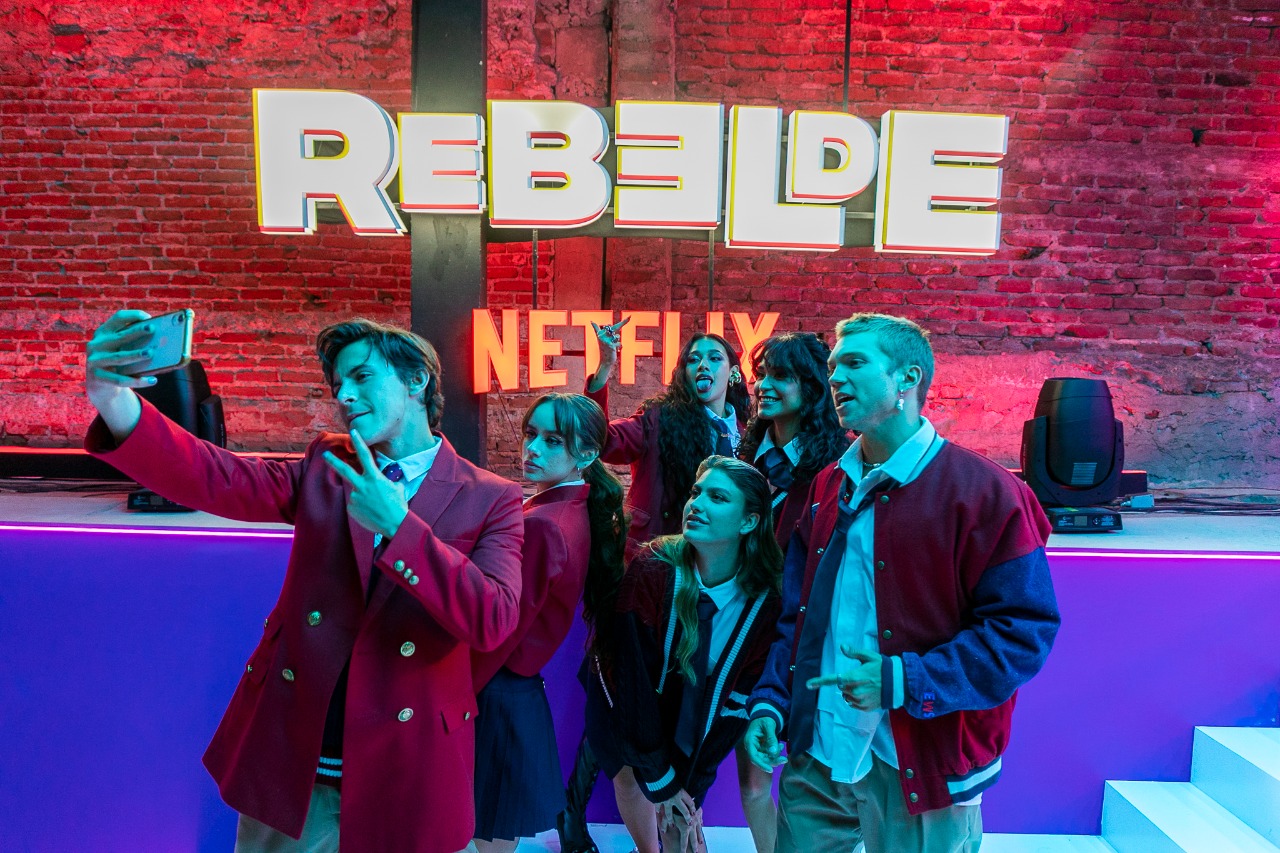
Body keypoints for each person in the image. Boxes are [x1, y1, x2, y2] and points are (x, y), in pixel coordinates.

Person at [83, 312, 524, 853]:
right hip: (298, 766)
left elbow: (492, 620)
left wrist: (400, 527)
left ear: (417, 380)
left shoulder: (491, 497)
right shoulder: (326, 465)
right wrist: (113, 400)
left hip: (409, 770)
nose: (345, 395)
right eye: (338, 384)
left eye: (362, 376)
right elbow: (218, 476)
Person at [743, 313, 1061, 853]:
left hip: (921, 762)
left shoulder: (986, 492)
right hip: (818, 751)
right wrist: (772, 700)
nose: (835, 378)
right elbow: (796, 615)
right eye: (833, 366)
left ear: (907, 378)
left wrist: (904, 680)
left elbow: (1022, 634)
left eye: (854, 363)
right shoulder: (826, 486)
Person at [585, 456, 783, 853]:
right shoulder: (653, 569)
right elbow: (632, 684)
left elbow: (733, 706)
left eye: (717, 497)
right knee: (629, 777)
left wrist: (691, 787)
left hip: (697, 706)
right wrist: (663, 783)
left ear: (749, 522)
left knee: (683, 810)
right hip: (621, 693)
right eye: (696, 492)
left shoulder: (765, 601)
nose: (697, 504)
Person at [470, 393, 628, 853]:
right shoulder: (567, 509)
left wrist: (454, 692)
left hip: (494, 691)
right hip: (510, 693)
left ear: (587, 454)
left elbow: (503, 629)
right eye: (530, 434)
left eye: (553, 440)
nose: (532, 448)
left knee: (483, 838)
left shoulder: (547, 523)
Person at [587, 323, 752, 555]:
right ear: (685, 374)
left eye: (715, 358)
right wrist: (605, 365)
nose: (703, 365)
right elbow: (605, 441)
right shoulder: (659, 418)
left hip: (720, 554)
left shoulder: (747, 433)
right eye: (693, 360)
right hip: (659, 550)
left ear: (733, 372)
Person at [737, 331, 851, 552]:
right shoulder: (744, 458)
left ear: (812, 387)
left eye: (780, 375)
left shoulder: (838, 469)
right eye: (761, 374)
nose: (763, 386)